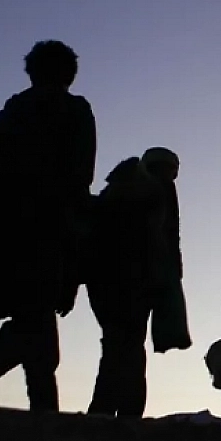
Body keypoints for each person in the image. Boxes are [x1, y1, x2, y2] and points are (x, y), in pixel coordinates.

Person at [0, 41, 97, 413]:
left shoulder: (13, 111)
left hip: (3, 230)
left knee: (34, 321)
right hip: (44, 231)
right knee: (34, 321)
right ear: (70, 73)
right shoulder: (74, 111)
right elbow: (79, 180)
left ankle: (37, 407)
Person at [84, 148, 186, 419]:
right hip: (138, 281)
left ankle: (105, 411)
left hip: (103, 283)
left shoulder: (114, 192)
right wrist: (169, 279)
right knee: (128, 348)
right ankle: (120, 415)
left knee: (117, 346)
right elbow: (167, 240)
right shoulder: (161, 190)